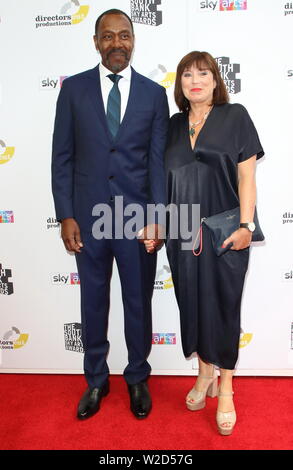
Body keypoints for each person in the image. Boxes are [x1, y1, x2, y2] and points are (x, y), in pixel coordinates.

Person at [51, 9, 169, 420]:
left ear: (133, 40)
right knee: (93, 302)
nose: (117, 43)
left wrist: (157, 217)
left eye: (124, 36)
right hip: (88, 218)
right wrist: (65, 214)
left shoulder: (155, 94)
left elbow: (156, 163)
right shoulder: (73, 90)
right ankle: (96, 380)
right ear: (96, 41)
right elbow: (61, 157)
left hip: (137, 221)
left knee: (138, 301)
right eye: (108, 36)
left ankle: (137, 377)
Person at [146, 51, 264, 435]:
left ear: (216, 80)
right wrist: (158, 226)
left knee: (224, 308)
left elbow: (246, 177)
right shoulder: (173, 125)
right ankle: (204, 374)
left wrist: (246, 224)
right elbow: (164, 181)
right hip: (182, 236)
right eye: (186, 75)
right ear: (179, 85)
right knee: (192, 305)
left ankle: (225, 386)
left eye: (203, 73)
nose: (194, 80)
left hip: (226, 232)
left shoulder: (236, 117)